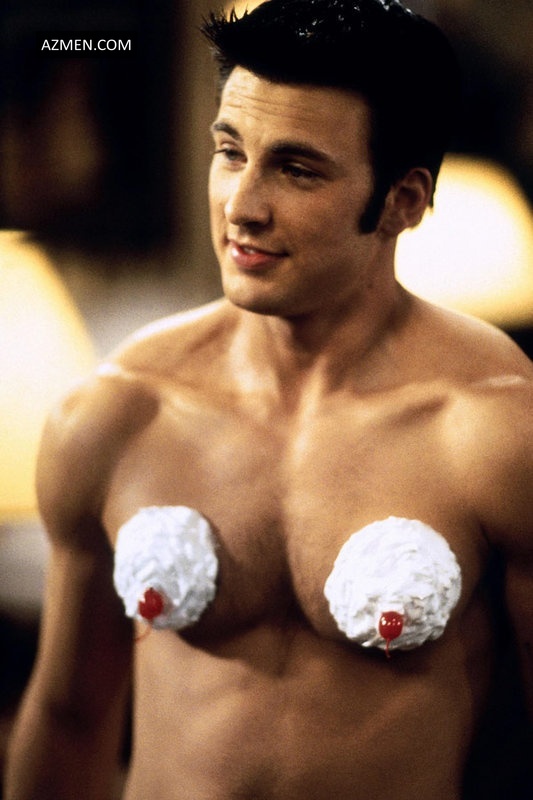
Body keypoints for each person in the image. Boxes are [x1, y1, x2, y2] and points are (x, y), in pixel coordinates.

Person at [5, 1, 533, 798]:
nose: (241, 205)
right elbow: (69, 717)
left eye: (296, 169)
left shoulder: (496, 429)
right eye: (230, 152)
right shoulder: (118, 412)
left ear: (402, 200)